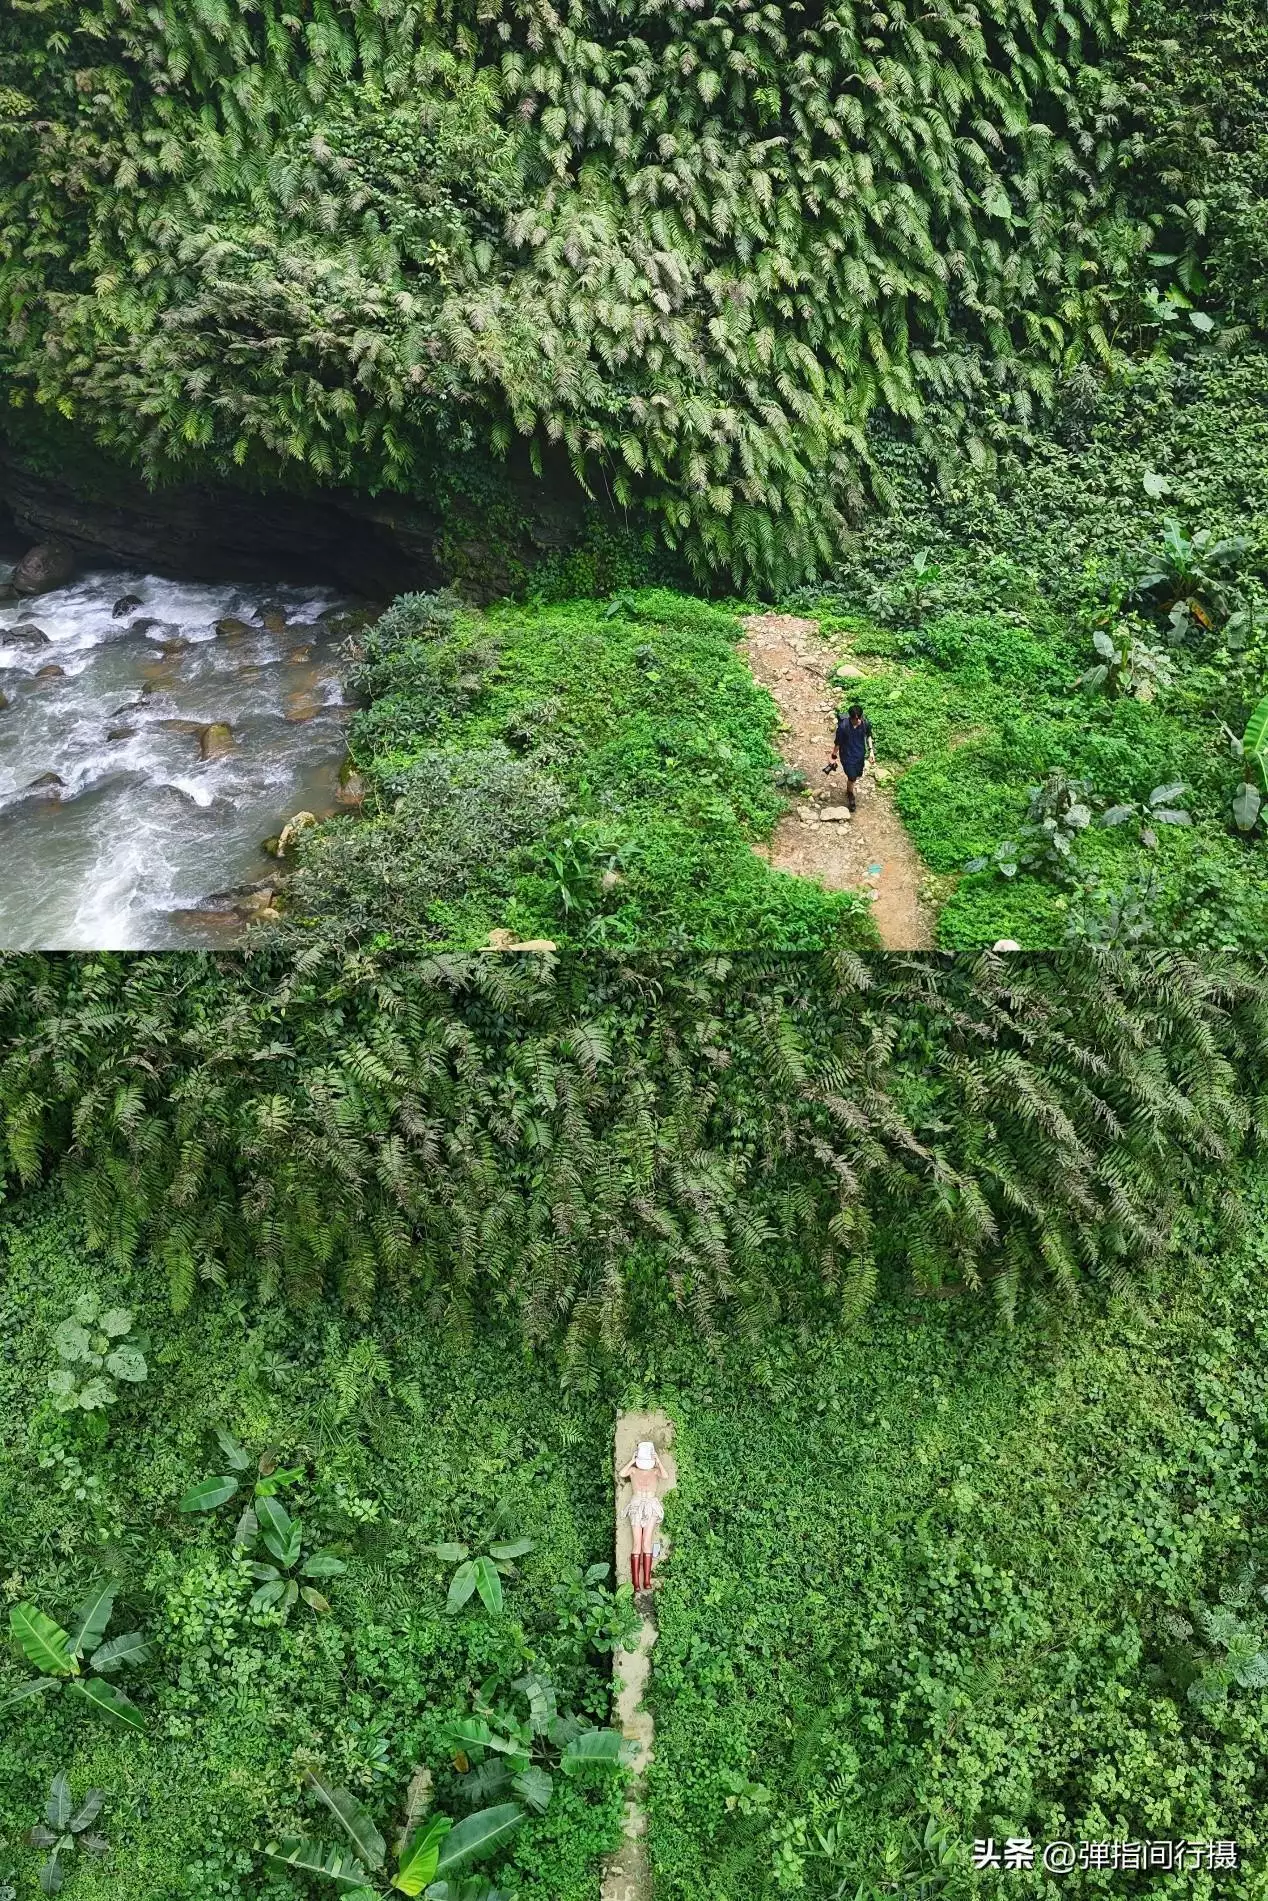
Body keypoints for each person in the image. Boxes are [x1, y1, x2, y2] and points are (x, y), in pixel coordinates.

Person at [618, 1439, 668, 1593]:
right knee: (636, 1544)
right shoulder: (633, 1470)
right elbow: (622, 1473)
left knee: (647, 1542)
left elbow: (665, 1476)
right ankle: (635, 1582)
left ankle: (646, 1579)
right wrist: (632, 1460)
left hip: (651, 1504)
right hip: (636, 1504)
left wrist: (657, 1460)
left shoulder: (655, 1470)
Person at [829, 703, 875, 812]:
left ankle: (849, 787)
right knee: (852, 776)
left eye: (860, 718)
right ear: (851, 717)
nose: (858, 721)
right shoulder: (843, 727)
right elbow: (838, 744)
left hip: (859, 754)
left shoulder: (865, 724)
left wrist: (871, 751)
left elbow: (868, 736)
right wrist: (833, 756)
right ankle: (850, 795)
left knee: (857, 774)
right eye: (856, 719)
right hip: (847, 755)